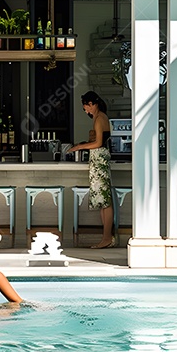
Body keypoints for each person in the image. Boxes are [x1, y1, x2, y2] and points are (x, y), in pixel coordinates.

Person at [66, 91, 114, 248]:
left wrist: (79, 147)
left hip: (99, 161)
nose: (86, 111)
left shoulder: (99, 118)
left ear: (93, 104)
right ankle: (106, 237)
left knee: (105, 202)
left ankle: (107, 238)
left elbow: (98, 143)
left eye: (86, 107)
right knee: (103, 201)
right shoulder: (101, 117)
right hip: (100, 160)